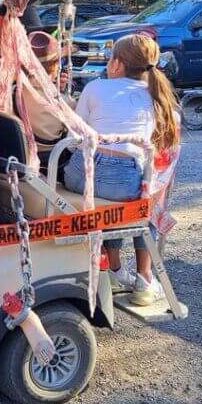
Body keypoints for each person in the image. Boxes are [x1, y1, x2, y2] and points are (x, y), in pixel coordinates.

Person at [62, 33, 180, 306]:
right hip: (123, 179)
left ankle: (114, 268)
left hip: (80, 175)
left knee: (113, 204)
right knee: (150, 200)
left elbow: (74, 134)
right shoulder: (157, 98)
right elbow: (166, 144)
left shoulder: (95, 87)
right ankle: (145, 278)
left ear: (115, 63)